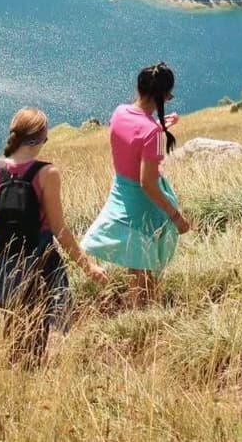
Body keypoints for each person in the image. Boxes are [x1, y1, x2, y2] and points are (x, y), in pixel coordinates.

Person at [0, 107, 107, 363]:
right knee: (38, 325)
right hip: (40, 259)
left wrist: (12, 229)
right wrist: (88, 267)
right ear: (38, 140)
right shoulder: (48, 174)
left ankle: (12, 370)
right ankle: (29, 372)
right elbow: (59, 229)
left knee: (13, 320)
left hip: (6, 261)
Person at [82, 62, 191, 307]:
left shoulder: (119, 112)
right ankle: (144, 317)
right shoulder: (156, 135)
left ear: (139, 88)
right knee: (147, 275)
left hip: (121, 193)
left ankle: (139, 312)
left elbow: (134, 137)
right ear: (166, 96)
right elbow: (148, 183)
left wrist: (158, 126)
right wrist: (176, 216)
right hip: (145, 206)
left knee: (136, 262)